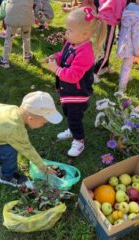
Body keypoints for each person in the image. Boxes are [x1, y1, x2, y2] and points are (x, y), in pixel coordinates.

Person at [0, 91, 62, 187]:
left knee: (6, 140)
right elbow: (28, 149)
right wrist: (43, 168)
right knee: (11, 148)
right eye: (43, 123)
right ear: (31, 119)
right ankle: (7, 177)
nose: (43, 125)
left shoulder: (12, 109)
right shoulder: (16, 130)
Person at [46, 7, 106, 157]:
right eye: (67, 29)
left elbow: (73, 75)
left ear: (85, 34)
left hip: (77, 94)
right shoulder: (71, 43)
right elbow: (63, 54)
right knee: (67, 112)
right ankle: (72, 130)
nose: (66, 33)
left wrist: (56, 69)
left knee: (74, 118)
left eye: (70, 30)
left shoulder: (85, 52)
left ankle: (79, 141)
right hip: (67, 91)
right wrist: (56, 57)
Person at [116, 0, 139, 94]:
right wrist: (137, 51)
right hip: (131, 46)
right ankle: (122, 87)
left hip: (123, 42)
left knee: (125, 64)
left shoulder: (128, 9)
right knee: (127, 66)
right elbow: (137, 36)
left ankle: (123, 78)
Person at [0, 0, 35, 69]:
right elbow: (36, 6)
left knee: (8, 40)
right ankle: (27, 56)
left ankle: (5, 61)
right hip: (27, 20)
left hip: (12, 21)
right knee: (26, 38)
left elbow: (3, 11)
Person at [93, 0, 127, 82]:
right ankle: (94, 73)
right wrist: (119, 19)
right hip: (110, 21)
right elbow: (118, 8)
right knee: (106, 49)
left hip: (103, 18)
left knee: (103, 46)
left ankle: (104, 67)